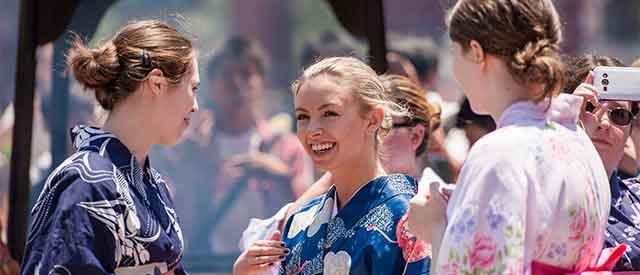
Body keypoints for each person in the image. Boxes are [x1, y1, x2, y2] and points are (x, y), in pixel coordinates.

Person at [407, 0, 615, 274]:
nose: (454, 71)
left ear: (476, 52)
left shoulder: (499, 154)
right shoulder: (578, 141)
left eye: (454, 52)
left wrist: (435, 227)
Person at [21, 20, 199, 275]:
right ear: (157, 83)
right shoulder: (85, 183)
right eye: (192, 88)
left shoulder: (153, 185)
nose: (195, 106)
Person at [233, 74, 440, 274]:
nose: (312, 129)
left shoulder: (410, 216)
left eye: (329, 113)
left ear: (373, 120)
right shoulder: (300, 221)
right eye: (303, 116)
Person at [565, 54, 640, 271]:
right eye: (589, 108)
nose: (604, 122)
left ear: (629, 133)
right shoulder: (537, 196)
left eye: (619, 114)